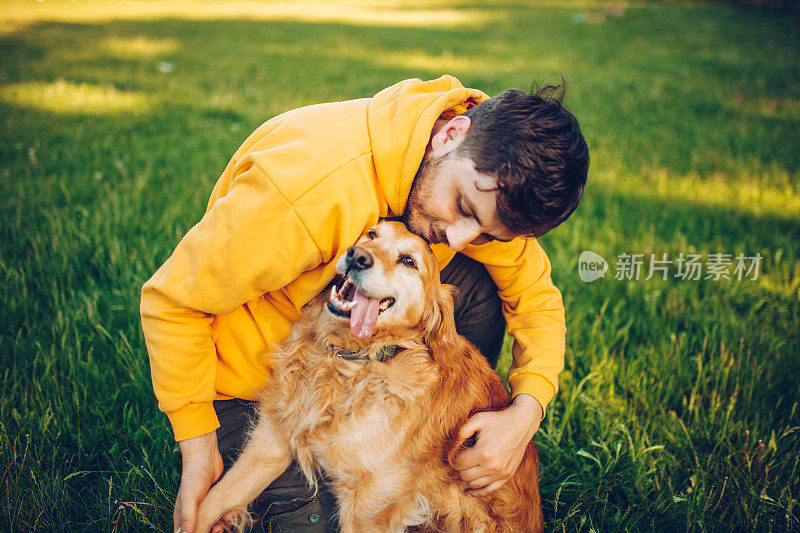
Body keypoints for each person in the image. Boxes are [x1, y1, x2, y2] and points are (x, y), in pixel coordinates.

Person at [140, 75, 588, 533]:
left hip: (365, 336)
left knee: (482, 283)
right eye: (464, 208)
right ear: (451, 134)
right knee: (323, 520)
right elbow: (171, 303)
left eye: (486, 233)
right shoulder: (306, 191)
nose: (460, 238)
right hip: (254, 370)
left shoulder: (477, 185)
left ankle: (420, 431)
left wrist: (524, 413)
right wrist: (197, 447)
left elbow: (536, 301)